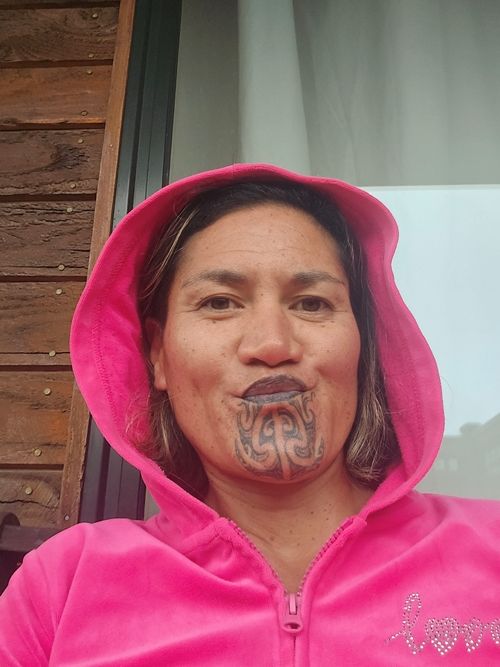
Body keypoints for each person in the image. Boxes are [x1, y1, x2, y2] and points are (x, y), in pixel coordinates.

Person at [1, 163, 499, 665]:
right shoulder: (61, 587)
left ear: (363, 346)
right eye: (220, 302)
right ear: (157, 355)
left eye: (311, 303)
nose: (272, 344)